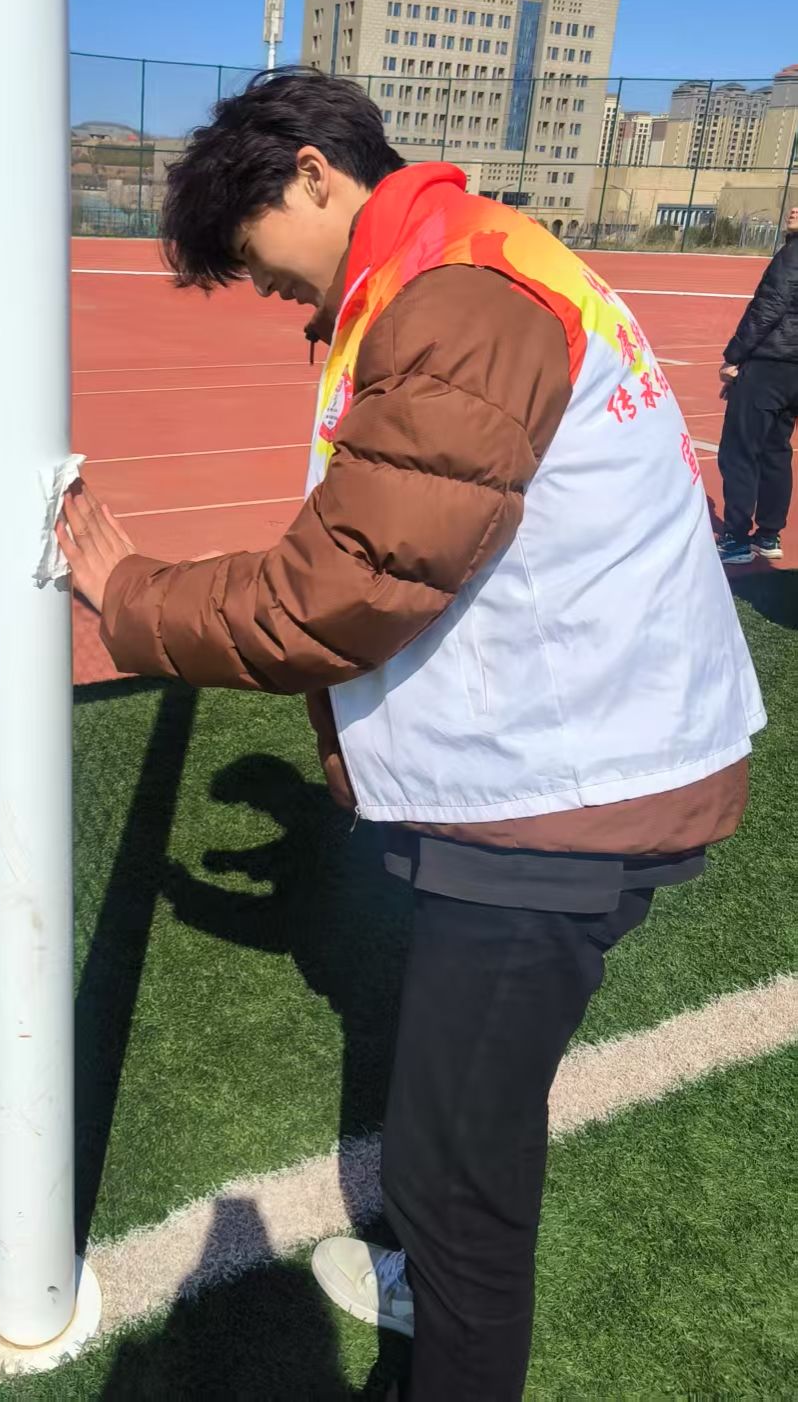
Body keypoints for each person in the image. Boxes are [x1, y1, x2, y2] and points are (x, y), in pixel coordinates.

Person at [57, 69, 764, 1401]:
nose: (267, 288)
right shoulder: (444, 267)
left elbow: (344, 588)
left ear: (313, 172)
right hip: (561, 767)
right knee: (455, 1139)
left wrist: (129, 594)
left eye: (256, 252)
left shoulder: (458, 299)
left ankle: (452, 1332)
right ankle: (437, 1294)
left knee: (454, 1175)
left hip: (564, 795)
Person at [716, 207, 798, 564]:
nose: (794, 209)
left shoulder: (792, 256)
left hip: (769, 365)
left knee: (740, 451)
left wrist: (734, 356)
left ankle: (735, 538)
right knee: (776, 450)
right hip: (793, 373)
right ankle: (768, 534)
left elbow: (768, 309)